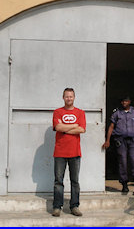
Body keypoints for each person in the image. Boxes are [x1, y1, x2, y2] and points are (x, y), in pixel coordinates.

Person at [52, 87, 86, 217]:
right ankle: (57, 207)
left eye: (71, 96)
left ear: (74, 97)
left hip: (75, 152)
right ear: (63, 97)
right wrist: (73, 126)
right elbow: (58, 127)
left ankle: (74, 206)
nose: (69, 98)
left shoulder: (80, 112)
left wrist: (64, 129)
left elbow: (82, 129)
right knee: (58, 181)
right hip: (60, 152)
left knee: (75, 181)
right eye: (66, 96)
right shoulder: (57, 112)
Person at [102, 95, 134, 194]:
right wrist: (107, 140)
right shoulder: (117, 113)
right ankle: (124, 184)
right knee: (122, 162)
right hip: (121, 141)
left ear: (129, 101)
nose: (124, 103)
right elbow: (111, 127)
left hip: (133, 141)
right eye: (123, 101)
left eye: (126, 101)